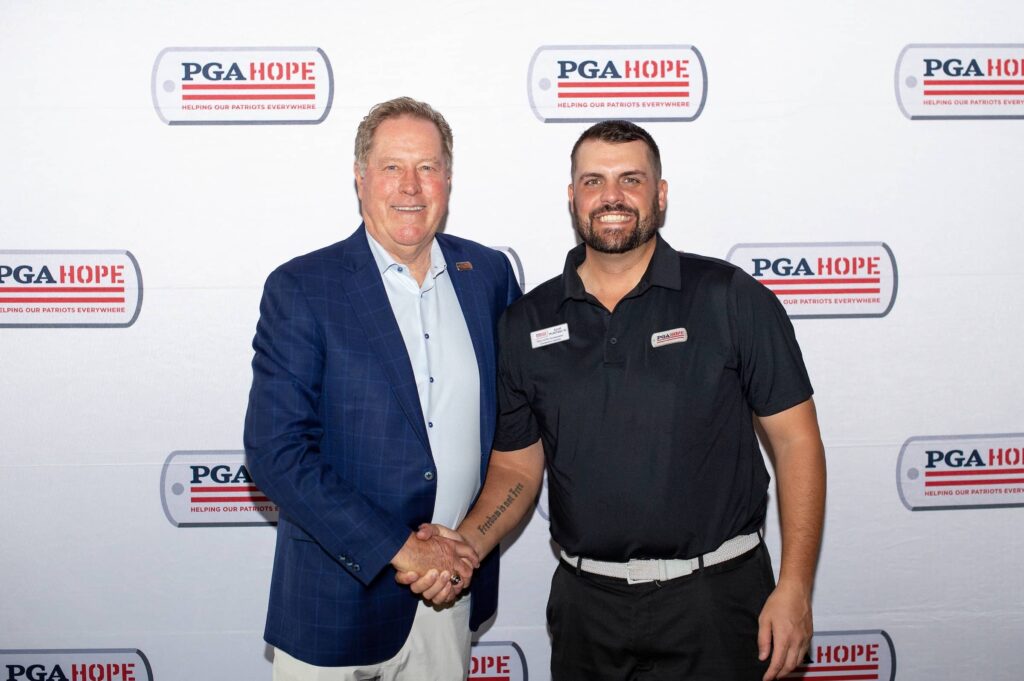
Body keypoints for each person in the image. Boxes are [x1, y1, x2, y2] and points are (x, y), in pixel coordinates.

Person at [405, 120, 826, 680]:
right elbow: (516, 470)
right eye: (593, 181)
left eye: (631, 179)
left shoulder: (729, 297)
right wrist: (465, 546)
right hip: (587, 612)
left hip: (718, 604)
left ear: (660, 193)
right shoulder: (527, 321)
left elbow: (796, 442)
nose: (612, 197)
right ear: (572, 197)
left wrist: (795, 586)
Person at [243, 96, 521, 680]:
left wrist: (459, 550)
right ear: (360, 177)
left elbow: (514, 432)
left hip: (450, 594)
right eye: (392, 166)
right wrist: (405, 550)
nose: (411, 186)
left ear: (448, 178)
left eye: (427, 167)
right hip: (334, 605)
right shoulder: (303, 288)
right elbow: (276, 452)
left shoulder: (489, 276)